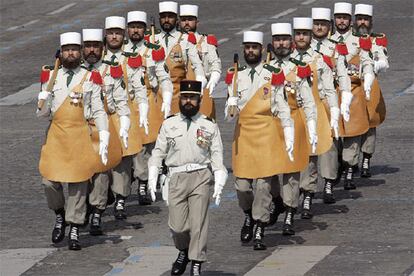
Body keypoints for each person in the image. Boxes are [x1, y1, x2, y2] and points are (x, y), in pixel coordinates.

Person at [148, 80, 227, 276]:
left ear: (200, 100)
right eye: (184, 97)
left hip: (200, 176)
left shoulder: (209, 125)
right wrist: (152, 173)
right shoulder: (169, 123)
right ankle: (183, 250)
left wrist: (219, 178)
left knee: (198, 222)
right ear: (179, 99)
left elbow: (216, 154)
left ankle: (196, 262)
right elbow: (158, 152)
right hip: (176, 177)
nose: (188, 102)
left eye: (192, 98)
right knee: (177, 226)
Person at [37, 32, 109, 250]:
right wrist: (43, 101)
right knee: (49, 180)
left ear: (80, 52)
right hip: (57, 135)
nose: (71, 53)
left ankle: (75, 227)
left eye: (75, 50)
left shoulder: (90, 77)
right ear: (61, 52)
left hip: (80, 134)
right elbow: (42, 115)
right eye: (67, 49)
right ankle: (59, 214)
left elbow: (98, 110)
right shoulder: (51, 77)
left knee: (78, 184)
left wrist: (104, 136)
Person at [225, 31, 294, 249]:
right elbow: (228, 116)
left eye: (254, 47)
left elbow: (282, 106)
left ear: (262, 50)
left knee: (264, 186)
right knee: (243, 186)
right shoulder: (237, 75)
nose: (251, 51)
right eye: (247, 48)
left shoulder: (273, 73)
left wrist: (289, 133)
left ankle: (259, 228)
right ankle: (248, 214)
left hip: (266, 135)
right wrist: (230, 105)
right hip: (244, 136)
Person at [269, 22, 317, 235]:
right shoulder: (264, 68)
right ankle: (277, 200)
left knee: (291, 170)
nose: (281, 43)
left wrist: (312, 126)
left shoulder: (299, 68)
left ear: (291, 42)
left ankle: (289, 210)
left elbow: (308, 101)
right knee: (268, 171)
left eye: (285, 39)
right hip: (270, 125)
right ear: (272, 43)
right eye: (277, 40)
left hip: (294, 121)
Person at [82, 28, 129, 235]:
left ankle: (97, 213)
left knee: (101, 169)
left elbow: (121, 100)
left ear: (103, 48)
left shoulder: (112, 70)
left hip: (105, 123)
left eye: (96, 47)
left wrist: (126, 124)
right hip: (79, 128)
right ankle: (83, 206)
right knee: (83, 172)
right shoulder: (74, 73)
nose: (92, 50)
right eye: (88, 47)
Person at [124, 10, 173, 205]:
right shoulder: (120, 50)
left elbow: (164, 78)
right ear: (127, 30)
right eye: (132, 27)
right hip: (126, 102)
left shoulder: (153, 49)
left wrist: (167, 98)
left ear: (144, 29)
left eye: (139, 27)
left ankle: (143, 182)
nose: (135, 31)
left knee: (145, 144)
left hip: (148, 99)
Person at [102, 16, 149, 219]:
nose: (114, 36)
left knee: (123, 158)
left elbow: (139, 88)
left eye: (118, 33)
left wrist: (143, 110)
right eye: (111, 33)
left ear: (123, 35)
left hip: (124, 112)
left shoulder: (131, 59)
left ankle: (120, 198)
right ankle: (101, 196)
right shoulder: (94, 59)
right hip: (100, 114)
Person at [331, 2, 375, 190]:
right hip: (332, 92)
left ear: (351, 20)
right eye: (338, 17)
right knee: (335, 135)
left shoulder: (359, 40)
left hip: (354, 91)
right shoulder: (327, 41)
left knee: (353, 132)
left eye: (345, 18)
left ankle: (350, 169)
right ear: (334, 19)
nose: (341, 21)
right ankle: (337, 166)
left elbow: (367, 63)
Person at [354, 4, 388, 178]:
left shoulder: (377, 39)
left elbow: (383, 60)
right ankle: (347, 161)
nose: (362, 23)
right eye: (359, 19)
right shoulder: (346, 39)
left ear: (371, 21)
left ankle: (366, 157)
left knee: (370, 123)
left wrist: (372, 65)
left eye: (365, 19)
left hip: (370, 85)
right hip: (349, 86)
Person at [154, 1, 207, 114]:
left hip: (178, 95)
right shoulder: (151, 40)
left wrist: (200, 81)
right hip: (155, 96)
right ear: (159, 19)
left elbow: (197, 65)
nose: (167, 20)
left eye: (170, 17)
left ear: (176, 20)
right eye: (163, 17)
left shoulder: (186, 39)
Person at [179, 4, 222, 118]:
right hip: (180, 93)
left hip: (202, 91)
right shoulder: (175, 43)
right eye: (183, 20)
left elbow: (215, 63)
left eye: (190, 20)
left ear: (197, 22)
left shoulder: (207, 41)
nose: (186, 23)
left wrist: (213, 79)